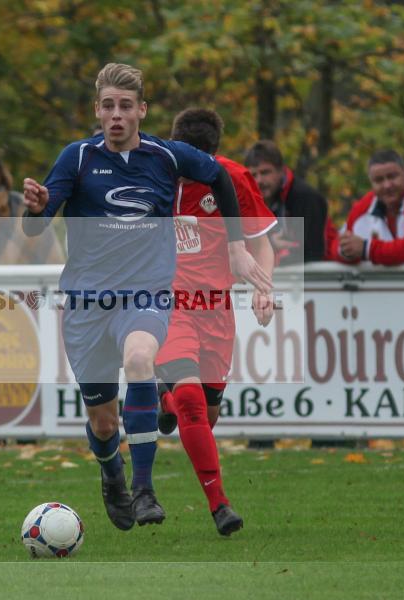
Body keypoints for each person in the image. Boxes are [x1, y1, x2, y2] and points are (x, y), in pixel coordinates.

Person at [21, 63, 271, 531]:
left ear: (142, 111)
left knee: (140, 359)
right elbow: (38, 222)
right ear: (97, 110)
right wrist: (33, 209)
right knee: (103, 425)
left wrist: (236, 246)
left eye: (126, 106)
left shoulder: (166, 156)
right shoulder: (76, 158)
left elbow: (219, 178)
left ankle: (143, 491)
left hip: (145, 295)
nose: (116, 115)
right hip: (87, 305)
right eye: (108, 106)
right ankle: (111, 472)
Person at [154, 108, 276, 535]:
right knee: (190, 401)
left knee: (204, 412)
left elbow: (262, 244)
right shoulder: (156, 173)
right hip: (168, 305)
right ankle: (220, 505)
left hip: (216, 309)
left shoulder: (232, 180)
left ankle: (162, 402)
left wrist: (264, 287)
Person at [331, 150, 404, 265]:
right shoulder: (365, 205)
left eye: (392, 177)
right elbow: (337, 244)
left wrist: (366, 249)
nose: (387, 185)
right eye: (379, 180)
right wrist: (346, 251)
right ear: (371, 182)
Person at [244, 140, 337, 263]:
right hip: (285, 276)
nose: (259, 180)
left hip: (323, 277)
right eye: (253, 175)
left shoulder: (305, 198)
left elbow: (312, 252)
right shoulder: (251, 201)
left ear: (281, 171)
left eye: (265, 172)